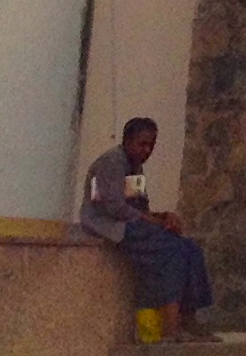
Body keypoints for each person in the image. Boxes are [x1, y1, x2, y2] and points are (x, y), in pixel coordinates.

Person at [78, 118, 212, 343]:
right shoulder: (110, 164)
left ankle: (189, 317)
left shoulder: (135, 168)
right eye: (142, 144)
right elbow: (114, 207)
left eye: (151, 145)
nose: (147, 150)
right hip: (109, 226)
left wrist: (163, 217)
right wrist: (153, 222)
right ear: (128, 141)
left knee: (190, 249)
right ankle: (170, 328)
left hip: (132, 223)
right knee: (171, 252)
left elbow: (139, 206)